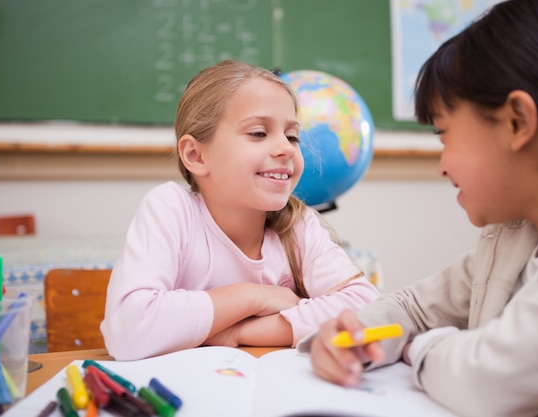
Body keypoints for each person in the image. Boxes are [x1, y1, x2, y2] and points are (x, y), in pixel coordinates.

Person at [300, 1, 538, 416]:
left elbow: (490, 377)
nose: (442, 165)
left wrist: (418, 348)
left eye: (444, 133)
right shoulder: (513, 233)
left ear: (518, 123)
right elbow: (414, 307)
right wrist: (359, 332)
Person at [101, 60, 379, 361]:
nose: (286, 148)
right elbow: (128, 331)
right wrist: (253, 296)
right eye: (259, 133)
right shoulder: (171, 209)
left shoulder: (298, 225)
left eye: (292, 136)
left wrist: (239, 332)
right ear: (195, 155)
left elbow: (367, 309)